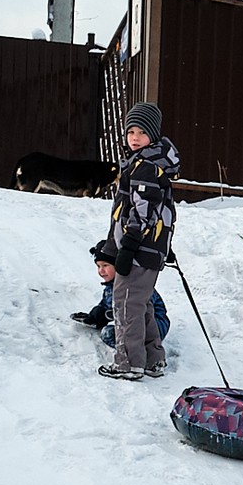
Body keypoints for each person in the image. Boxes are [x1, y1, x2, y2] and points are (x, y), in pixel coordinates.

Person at [98, 102, 180, 380]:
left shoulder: (145, 167)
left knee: (125, 303)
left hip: (139, 247)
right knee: (140, 302)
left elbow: (142, 212)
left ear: (153, 136)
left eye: (142, 132)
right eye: (131, 131)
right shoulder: (146, 163)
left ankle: (129, 362)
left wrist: (129, 245)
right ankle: (153, 359)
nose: (134, 137)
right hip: (147, 246)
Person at [72, 242, 171, 347]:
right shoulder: (111, 288)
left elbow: (141, 309)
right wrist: (95, 317)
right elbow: (106, 305)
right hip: (135, 325)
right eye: (98, 266)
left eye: (105, 265)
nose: (101, 271)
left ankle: (139, 350)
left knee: (110, 334)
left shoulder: (136, 285)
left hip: (156, 325)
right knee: (109, 332)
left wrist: (113, 313)